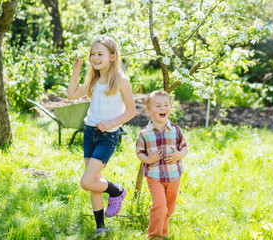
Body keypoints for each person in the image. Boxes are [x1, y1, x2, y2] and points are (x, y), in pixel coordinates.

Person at [67, 36, 136, 234]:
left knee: (86, 181)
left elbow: (131, 111)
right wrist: (76, 71)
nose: (95, 58)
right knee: (94, 183)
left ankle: (117, 191)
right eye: (93, 54)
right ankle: (100, 228)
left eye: (100, 54)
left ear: (112, 57)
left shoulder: (121, 81)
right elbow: (71, 95)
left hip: (107, 137)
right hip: (89, 133)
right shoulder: (94, 78)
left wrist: (111, 123)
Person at [136, 90, 188, 239]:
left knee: (169, 207)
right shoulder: (144, 133)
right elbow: (139, 152)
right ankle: (153, 235)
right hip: (154, 175)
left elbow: (184, 147)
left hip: (173, 174)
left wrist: (179, 155)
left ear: (171, 108)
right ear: (149, 111)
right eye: (158, 106)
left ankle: (163, 232)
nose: (162, 108)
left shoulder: (176, 130)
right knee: (159, 205)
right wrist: (148, 159)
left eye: (166, 105)